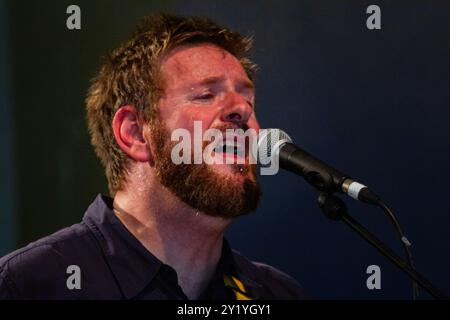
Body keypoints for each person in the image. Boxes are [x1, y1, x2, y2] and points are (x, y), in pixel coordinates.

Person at [0, 13, 305, 300]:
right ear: (134, 133)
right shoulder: (30, 284)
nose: (243, 110)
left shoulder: (275, 293)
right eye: (206, 95)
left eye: (248, 97)